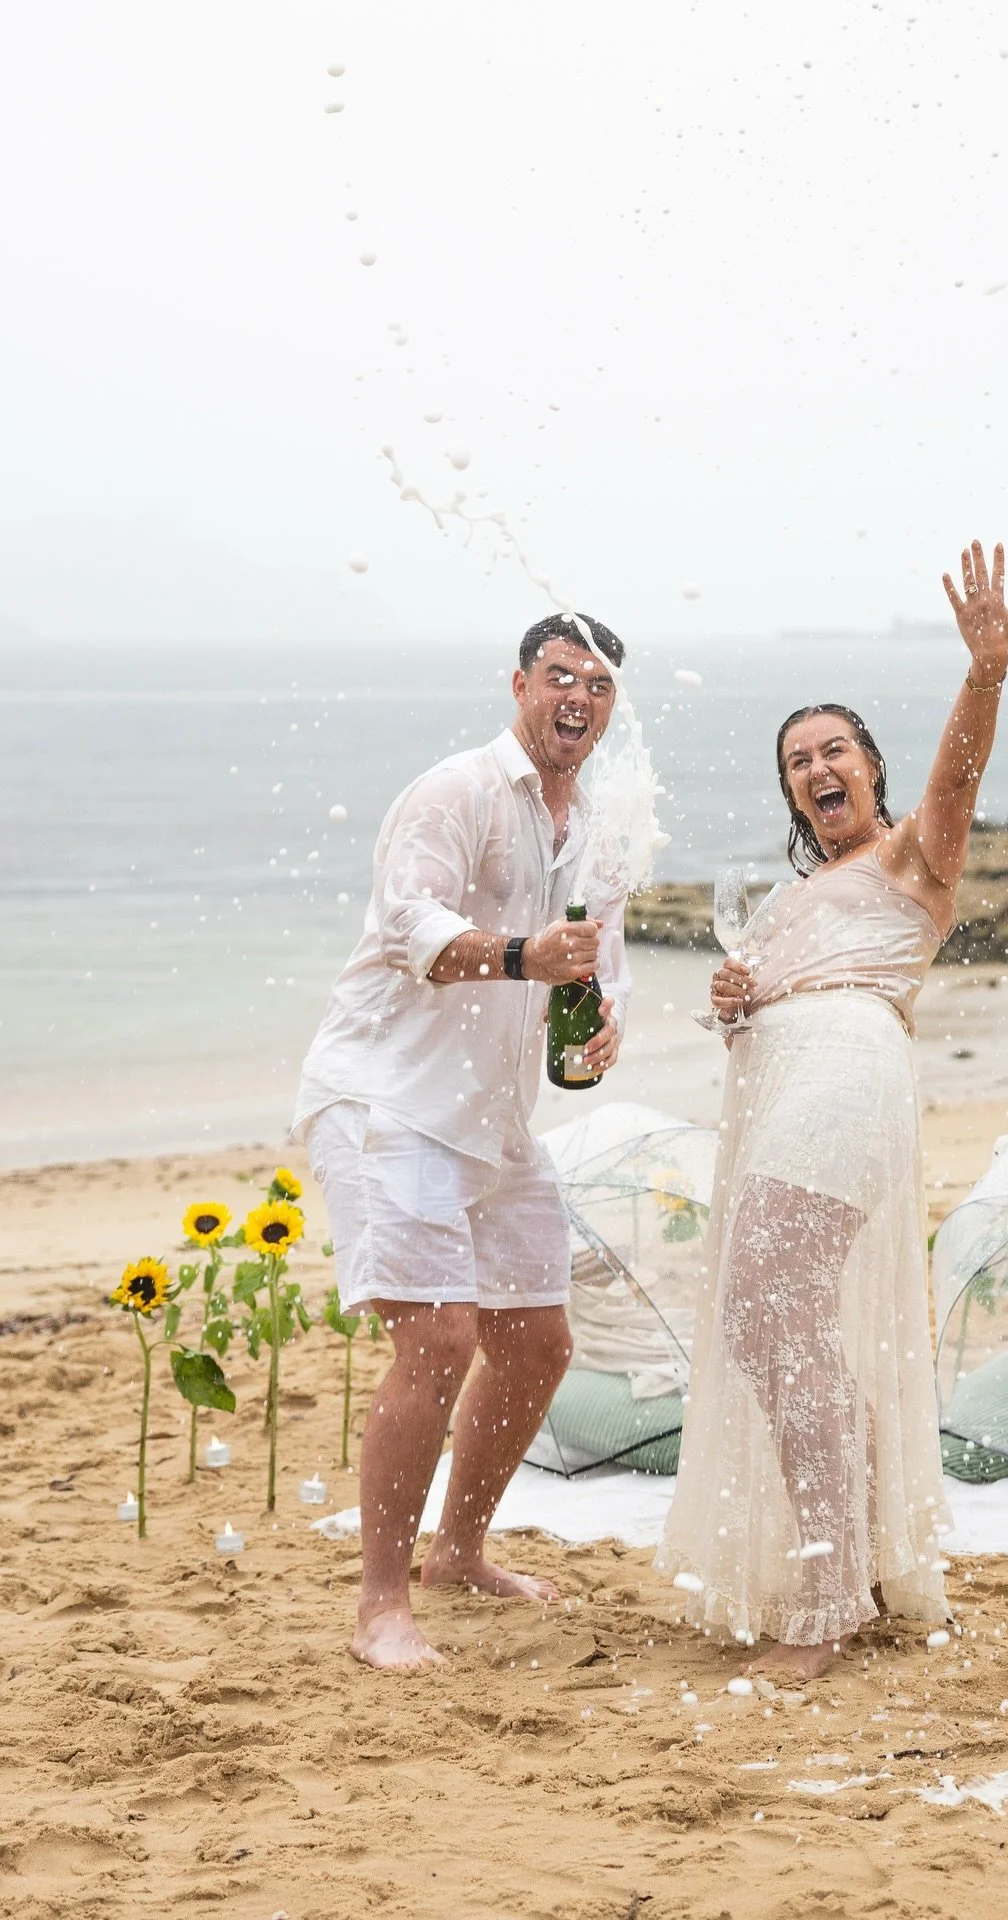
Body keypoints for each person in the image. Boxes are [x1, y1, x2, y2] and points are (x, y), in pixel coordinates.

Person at [655, 542, 1008, 1680]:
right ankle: (859, 1560)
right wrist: (735, 1000)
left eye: (834, 750)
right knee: (771, 1321)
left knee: (771, 1305)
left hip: (849, 1082)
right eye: (797, 762)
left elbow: (962, 780)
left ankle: (827, 1598)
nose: (817, 768)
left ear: (872, 769)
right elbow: (763, 1005)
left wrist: (984, 674)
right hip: (788, 1085)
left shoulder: (912, 860)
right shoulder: (788, 901)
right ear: (788, 792)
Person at [293, 612, 631, 1673]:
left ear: (612, 706)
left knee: (537, 1343)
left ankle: (460, 1553)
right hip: (384, 1099)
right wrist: (526, 953)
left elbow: (594, 975)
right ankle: (381, 1608)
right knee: (438, 1339)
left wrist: (607, 1026)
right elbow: (411, 930)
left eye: (598, 685)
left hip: (492, 1121)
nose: (577, 697)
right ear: (521, 686)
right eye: (559, 676)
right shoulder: (458, 791)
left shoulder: (598, 829)